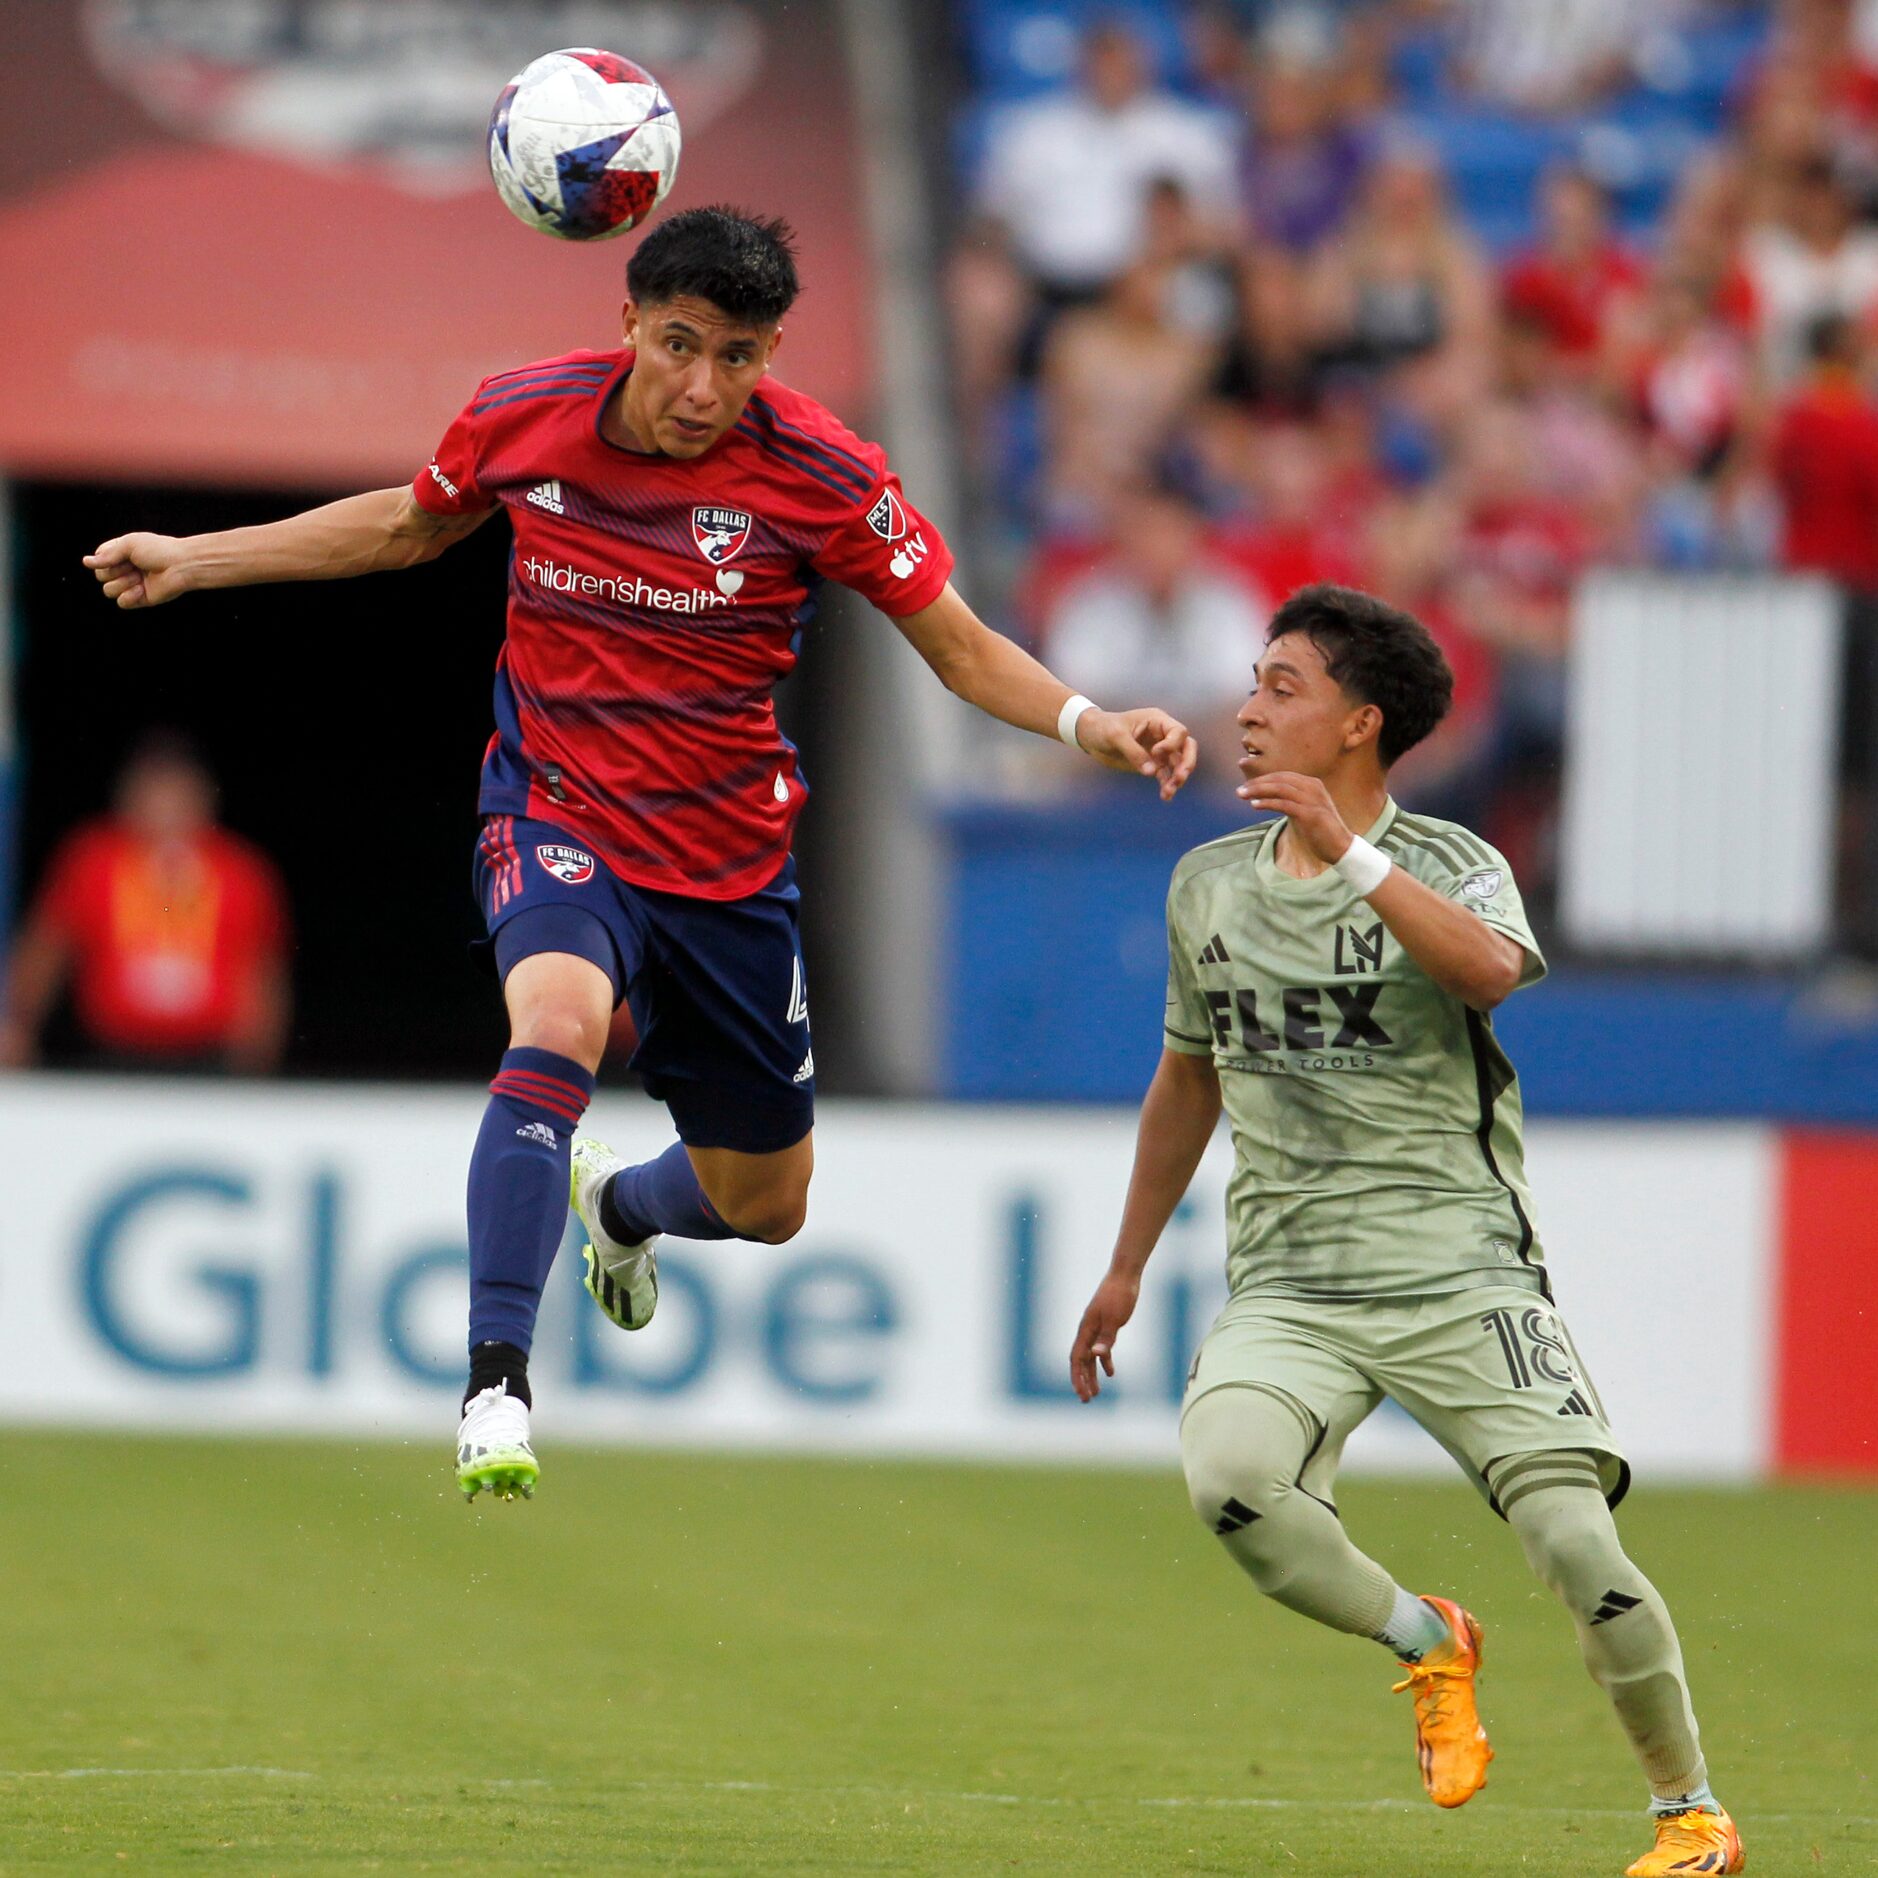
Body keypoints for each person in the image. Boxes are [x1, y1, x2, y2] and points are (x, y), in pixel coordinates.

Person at [85, 206, 1198, 1503]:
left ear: (771, 355)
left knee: (767, 1200)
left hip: (726, 865)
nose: (702, 385)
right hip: (556, 812)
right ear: (627, 325)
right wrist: (195, 560)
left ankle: (618, 1209)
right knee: (555, 1018)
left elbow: (956, 647)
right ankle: (496, 1376)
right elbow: (406, 525)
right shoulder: (524, 414)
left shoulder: (821, 472)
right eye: (679, 344)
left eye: (738, 356)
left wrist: (1089, 722)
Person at [1068, 585, 1742, 1878]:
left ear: (1358, 724)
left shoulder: (1450, 861)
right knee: (1230, 1487)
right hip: (1290, 1285)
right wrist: (1122, 1262)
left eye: (1280, 687)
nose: (1248, 709)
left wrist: (1353, 851)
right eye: (1253, 682)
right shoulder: (1205, 885)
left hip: (1457, 1271)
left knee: (1571, 1539)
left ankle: (1689, 1812)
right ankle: (1425, 1636)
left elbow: (1488, 972)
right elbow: (1188, 1079)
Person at [0, 733, 290, 1074]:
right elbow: (46, 950)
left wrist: (258, 1062)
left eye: (177, 794)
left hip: (208, 1059)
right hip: (111, 1054)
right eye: (154, 792)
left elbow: (262, 976)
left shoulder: (241, 872)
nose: (165, 808)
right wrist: (15, 1023)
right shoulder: (93, 861)